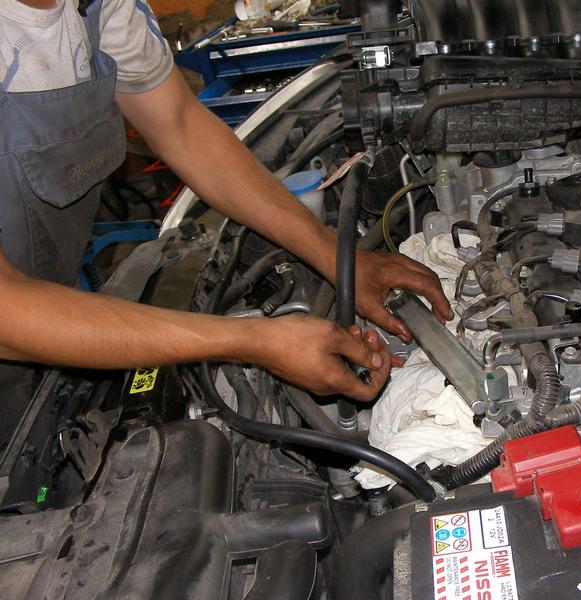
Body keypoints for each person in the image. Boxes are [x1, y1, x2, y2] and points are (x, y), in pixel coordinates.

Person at [0, 0, 452, 447]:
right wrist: (254, 341)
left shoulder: (100, 6)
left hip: (52, 318)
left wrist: (338, 258)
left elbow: (180, 126)